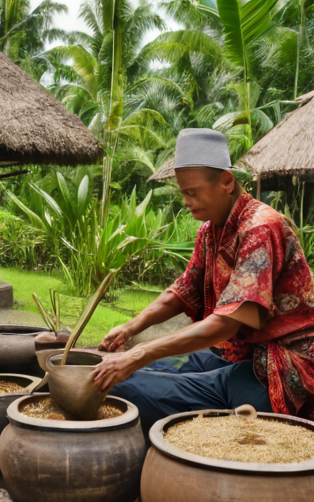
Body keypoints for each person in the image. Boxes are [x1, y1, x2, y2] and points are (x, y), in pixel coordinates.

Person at [93, 128, 314, 435]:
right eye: (183, 192)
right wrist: (130, 329)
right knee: (137, 373)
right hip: (242, 354)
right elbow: (183, 290)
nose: (185, 201)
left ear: (226, 182)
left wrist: (138, 353)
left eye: (192, 192)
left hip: (280, 367)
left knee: (131, 385)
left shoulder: (261, 228)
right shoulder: (210, 231)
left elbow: (226, 323)